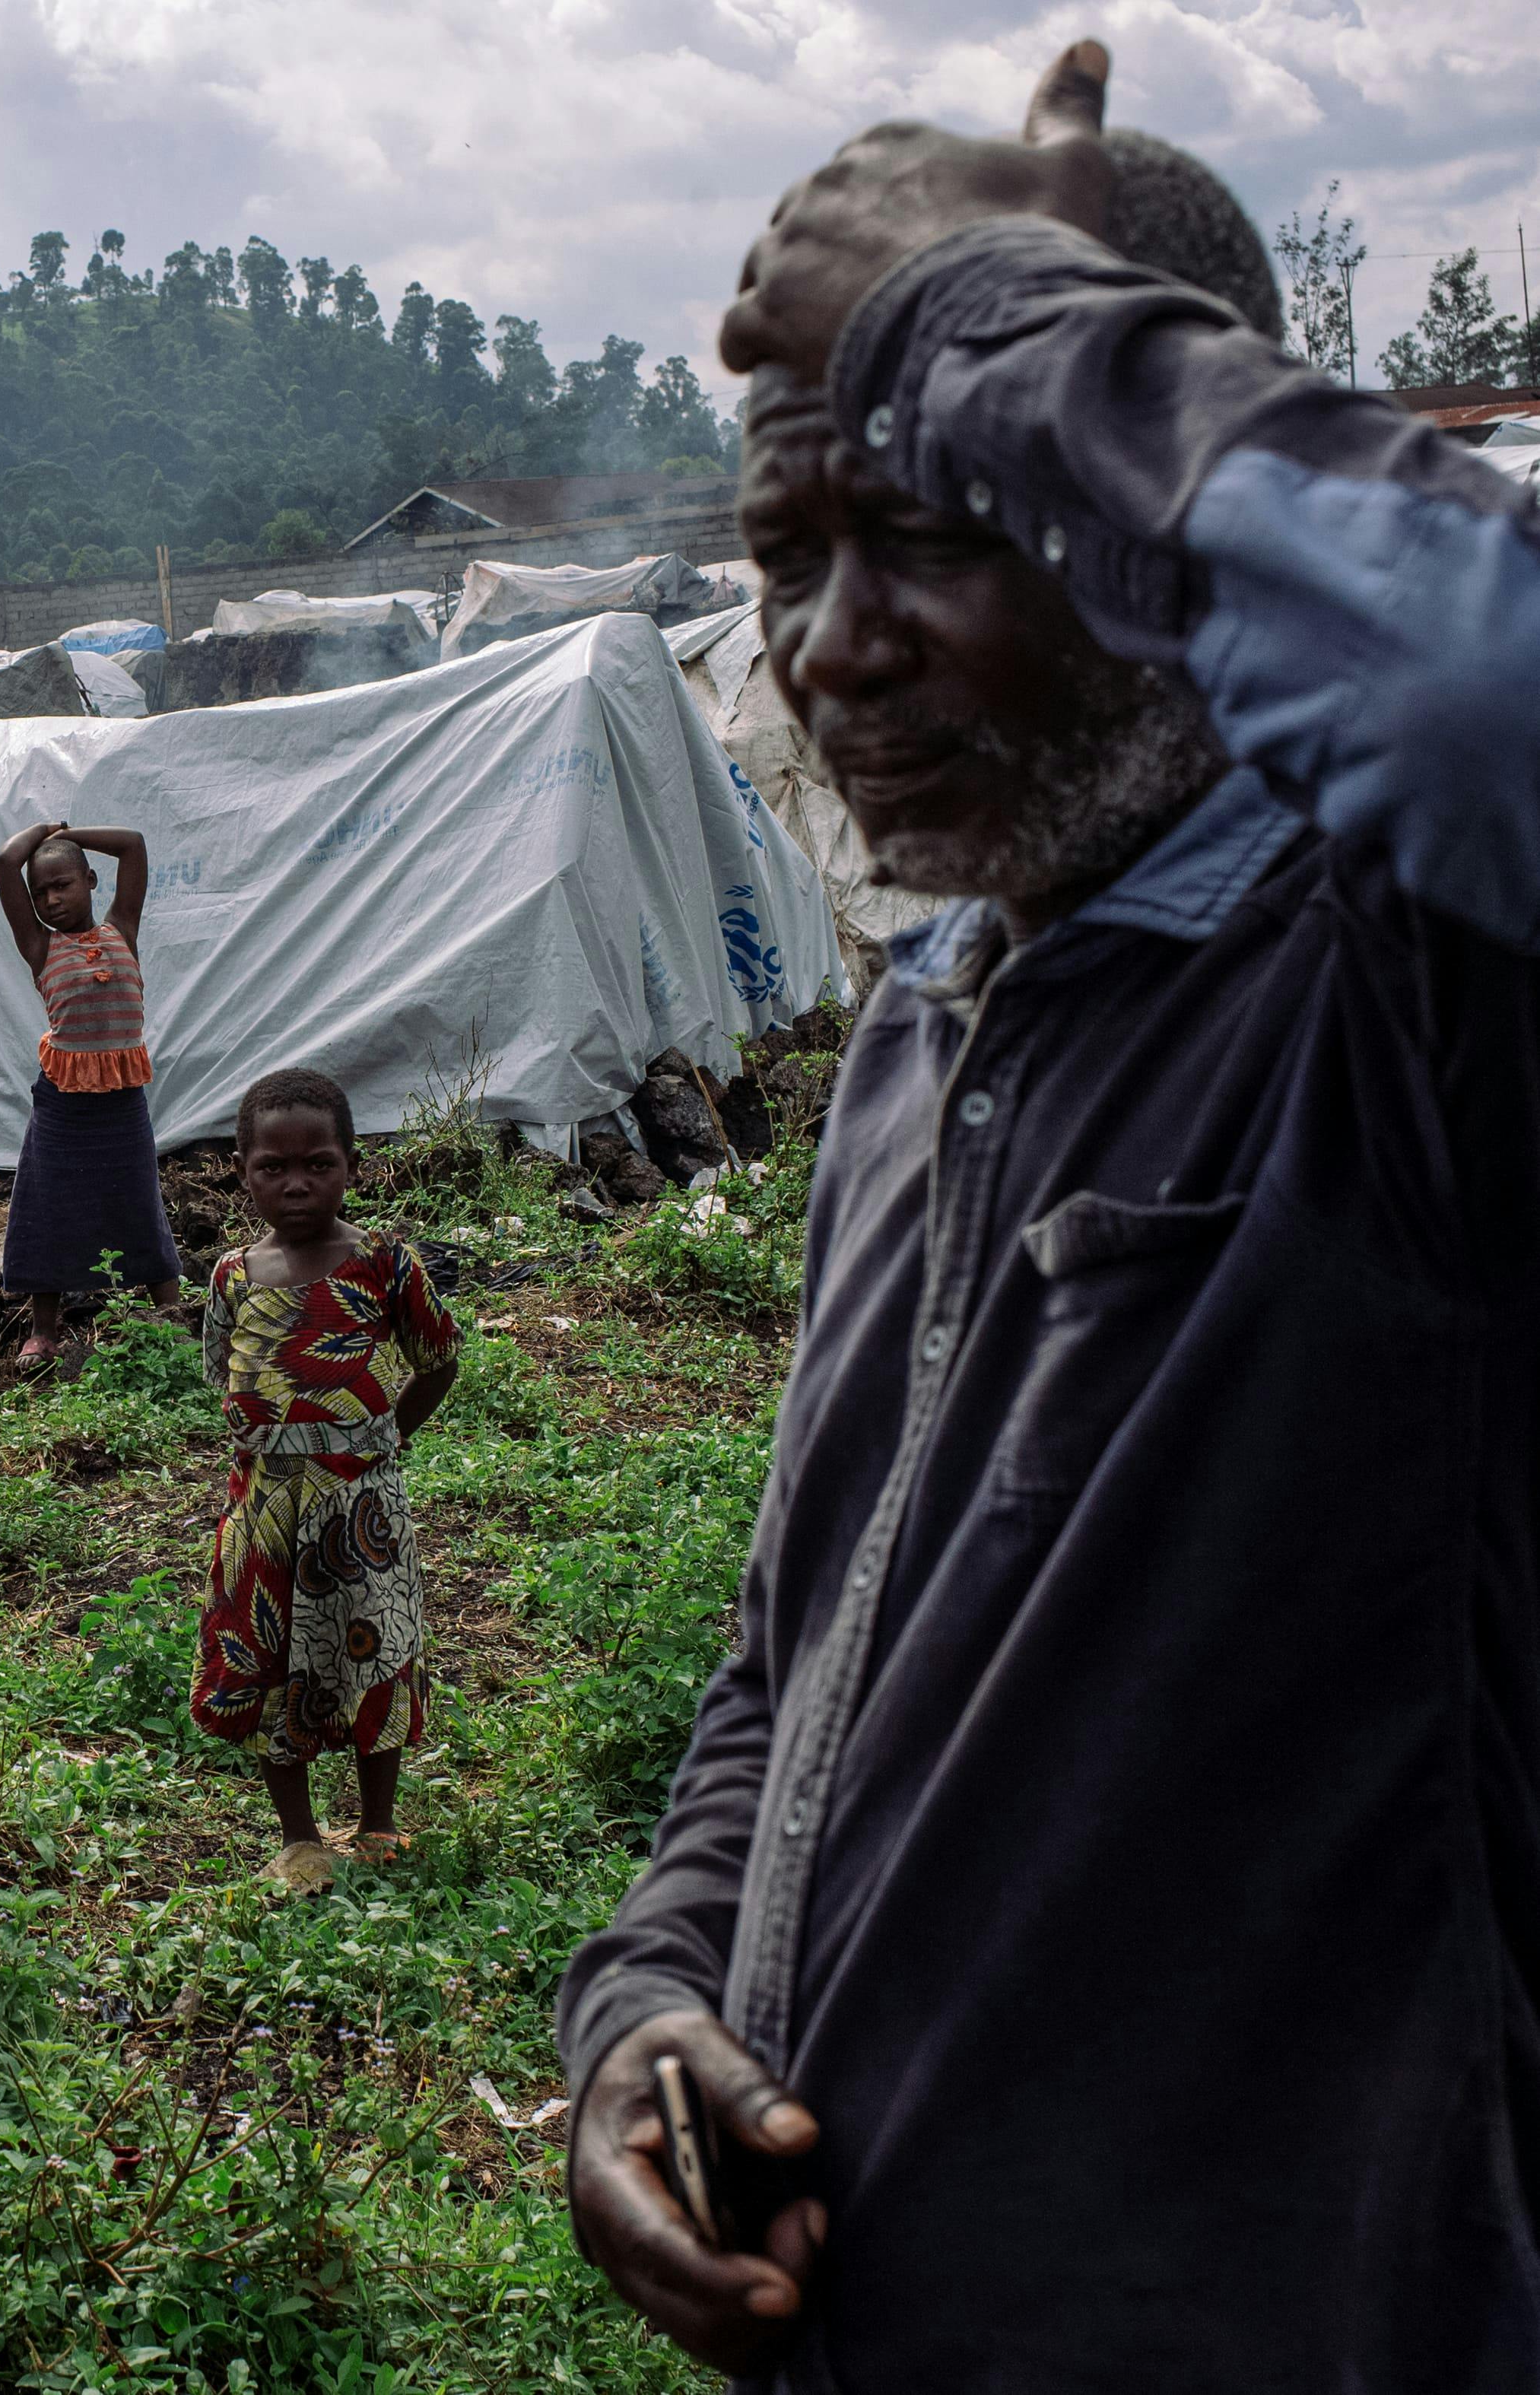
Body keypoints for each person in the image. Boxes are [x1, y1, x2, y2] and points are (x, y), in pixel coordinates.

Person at [557, 44, 1540, 2389]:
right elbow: (805, 1649)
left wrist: (969, 318)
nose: (826, 647)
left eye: (931, 530)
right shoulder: (929, 1026)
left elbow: (1487, 698)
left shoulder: (1391, 1001)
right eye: (784, 561)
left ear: (1154, 507)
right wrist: (649, 1986)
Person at [191, 1068, 461, 1886]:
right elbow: (224, 1375)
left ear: (351, 1165)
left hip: (360, 1502)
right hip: (265, 1501)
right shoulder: (233, 1275)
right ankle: (299, 1835)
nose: (296, 1182)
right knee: (269, 1655)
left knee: (372, 1650)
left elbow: (438, 1359)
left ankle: (377, 1823)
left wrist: (382, 1444)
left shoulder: (382, 1263)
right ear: (241, 1169)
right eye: (272, 1166)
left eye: (318, 1162)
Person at [0, 818, 183, 1365]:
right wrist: (44, 830)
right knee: (48, 1206)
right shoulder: (41, 948)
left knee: (139, 1200)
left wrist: (71, 829)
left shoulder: (123, 929)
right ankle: (44, 1331)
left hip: (123, 1102)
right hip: (64, 1106)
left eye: (63, 885)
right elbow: (8, 862)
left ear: (91, 880)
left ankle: (171, 1319)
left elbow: (135, 843)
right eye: (41, 892)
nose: (51, 900)